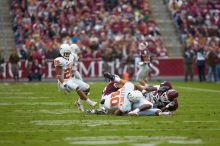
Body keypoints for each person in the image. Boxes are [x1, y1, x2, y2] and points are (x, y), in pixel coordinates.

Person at [54, 43, 97, 111]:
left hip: (70, 79)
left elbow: (74, 67)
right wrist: (64, 84)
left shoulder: (72, 56)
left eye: (69, 53)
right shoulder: (58, 60)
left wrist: (74, 69)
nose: (68, 55)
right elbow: (59, 75)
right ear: (62, 52)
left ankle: (79, 103)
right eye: (66, 53)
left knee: (87, 88)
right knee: (76, 87)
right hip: (63, 81)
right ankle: (90, 102)